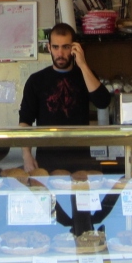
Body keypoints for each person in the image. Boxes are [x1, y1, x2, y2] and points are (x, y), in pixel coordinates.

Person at [18, 22, 111, 172]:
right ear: (49, 48)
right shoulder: (36, 81)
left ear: (74, 48)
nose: (60, 53)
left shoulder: (85, 75)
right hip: (46, 161)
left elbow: (103, 102)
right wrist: (26, 155)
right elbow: (25, 121)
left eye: (66, 47)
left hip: (80, 161)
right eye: (55, 47)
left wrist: (83, 64)